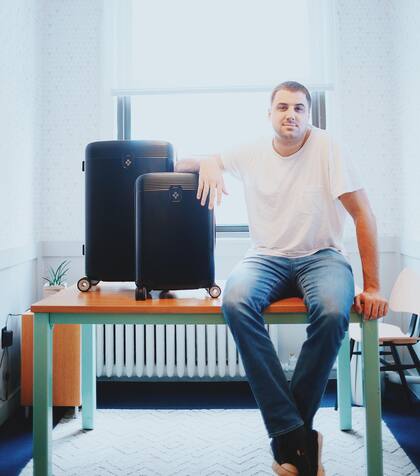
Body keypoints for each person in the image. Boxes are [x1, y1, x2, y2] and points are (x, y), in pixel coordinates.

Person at [175, 81, 388, 476]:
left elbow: (363, 214)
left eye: (299, 108)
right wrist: (208, 162)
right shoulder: (251, 150)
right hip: (266, 257)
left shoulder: (328, 149)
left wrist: (373, 286)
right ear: (269, 113)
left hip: (322, 256)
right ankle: (298, 437)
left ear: (309, 114)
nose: (291, 115)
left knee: (332, 311)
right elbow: (181, 162)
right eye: (283, 107)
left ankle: (288, 439)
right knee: (234, 301)